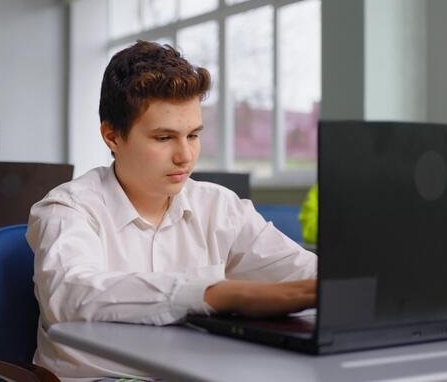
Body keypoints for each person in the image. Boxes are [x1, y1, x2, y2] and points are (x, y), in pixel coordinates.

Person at [27, 41, 318, 380]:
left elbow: (302, 274)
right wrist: (211, 293)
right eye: (164, 138)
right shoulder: (68, 208)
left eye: (193, 135)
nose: (185, 156)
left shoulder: (219, 206)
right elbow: (71, 295)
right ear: (112, 136)